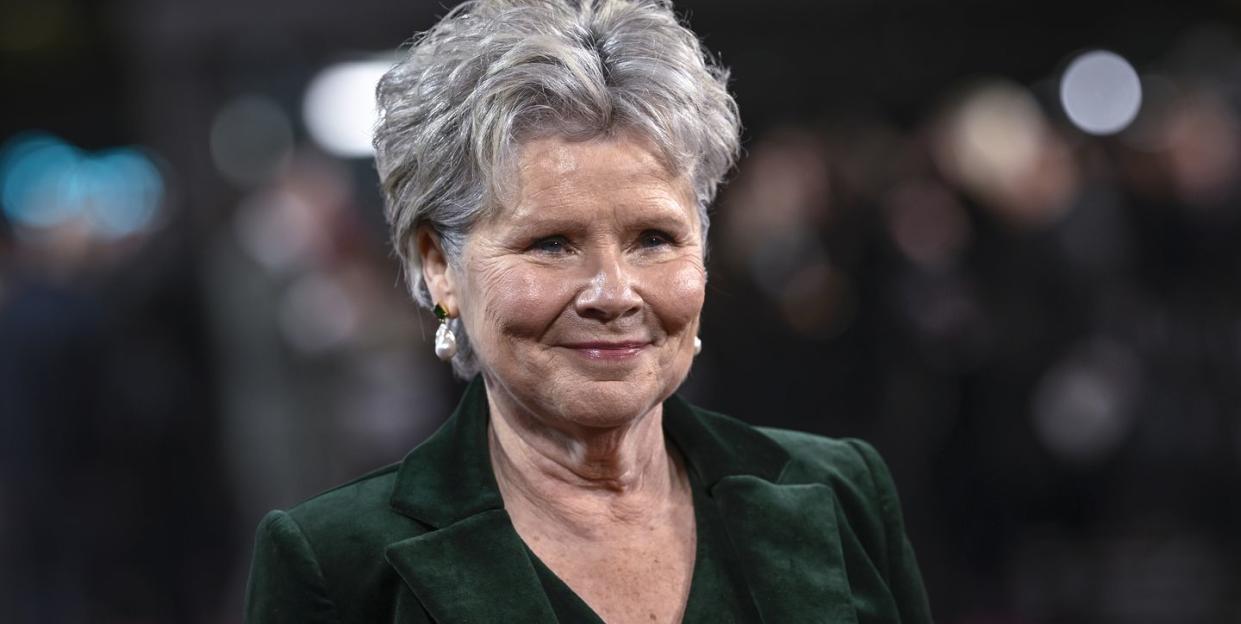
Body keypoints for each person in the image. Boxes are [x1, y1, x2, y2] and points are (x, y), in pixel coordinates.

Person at [244, 1, 932, 622]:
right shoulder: (335, 564)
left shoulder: (841, 495)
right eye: (551, 243)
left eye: (653, 239)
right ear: (436, 263)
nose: (613, 292)